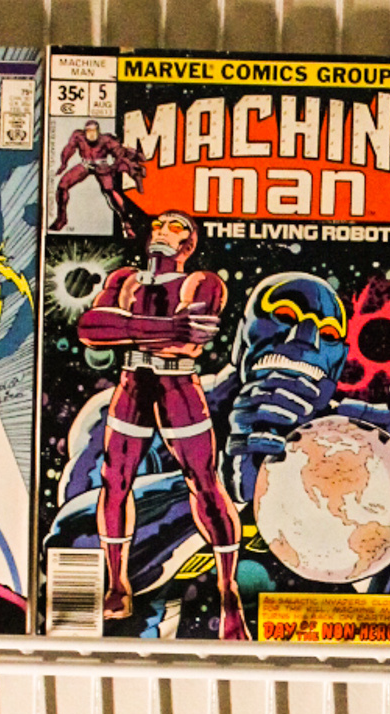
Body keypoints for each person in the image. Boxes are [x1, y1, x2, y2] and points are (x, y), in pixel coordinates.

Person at [76, 211, 246, 636]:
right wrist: (168, 326)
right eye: (158, 225)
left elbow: (187, 340)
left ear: (188, 242)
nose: (161, 231)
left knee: (203, 482)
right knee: (115, 479)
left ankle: (228, 591)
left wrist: (127, 328)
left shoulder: (201, 282)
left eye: (174, 226)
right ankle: (117, 584)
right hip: (133, 384)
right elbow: (90, 327)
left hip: (178, 387)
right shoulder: (124, 279)